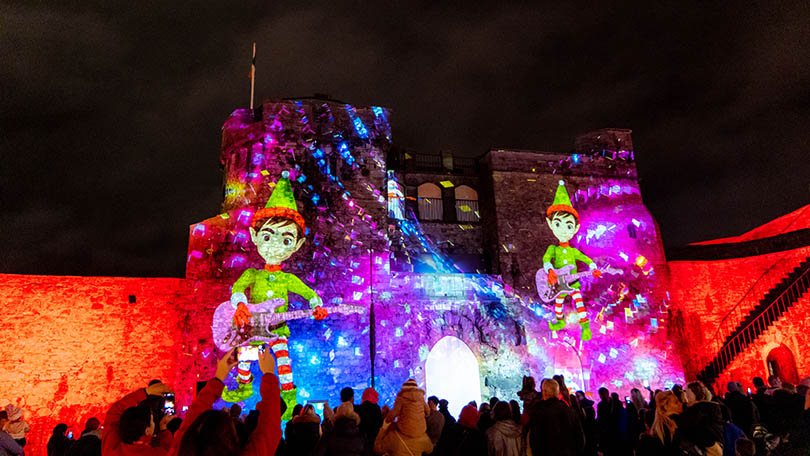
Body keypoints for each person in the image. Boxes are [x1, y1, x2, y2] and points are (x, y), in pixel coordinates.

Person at [222, 171, 328, 417]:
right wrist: (240, 305)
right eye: (268, 236)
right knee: (246, 357)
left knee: (284, 363)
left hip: (278, 329)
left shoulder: (288, 279)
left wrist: (316, 305)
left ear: (298, 245)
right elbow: (237, 288)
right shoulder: (252, 274)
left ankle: (289, 398)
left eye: (286, 239)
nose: (275, 245)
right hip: (253, 328)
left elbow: (308, 293)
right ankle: (244, 386)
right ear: (254, 237)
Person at [170, 348, 281, 456]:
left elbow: (270, 429)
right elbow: (270, 428)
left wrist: (218, 380)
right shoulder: (178, 448)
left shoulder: (180, 450)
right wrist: (269, 374)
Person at [541, 180, 602, 340]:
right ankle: (560, 322)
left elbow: (586, 259)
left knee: (579, 304)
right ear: (550, 224)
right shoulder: (553, 249)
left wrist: (593, 266)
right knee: (558, 304)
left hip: (573, 283)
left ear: (575, 228)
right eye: (557, 224)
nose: (563, 230)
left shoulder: (574, 251)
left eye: (568, 226)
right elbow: (546, 259)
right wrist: (550, 270)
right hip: (559, 284)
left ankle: (585, 327)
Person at [102, 378, 174, 455]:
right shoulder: (156, 453)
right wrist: (163, 429)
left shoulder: (112, 450)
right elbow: (169, 449)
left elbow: (114, 412)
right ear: (147, 431)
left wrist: (144, 393)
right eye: (152, 420)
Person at [525, 379, 584, 456]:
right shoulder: (570, 411)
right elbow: (580, 439)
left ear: (544, 392)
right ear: (557, 391)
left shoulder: (538, 412)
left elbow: (535, 440)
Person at [680, 381, 724, 456]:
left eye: (688, 393)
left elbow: (690, 426)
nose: (686, 396)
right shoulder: (711, 406)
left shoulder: (697, 409)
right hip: (716, 443)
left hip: (708, 446)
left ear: (694, 394)